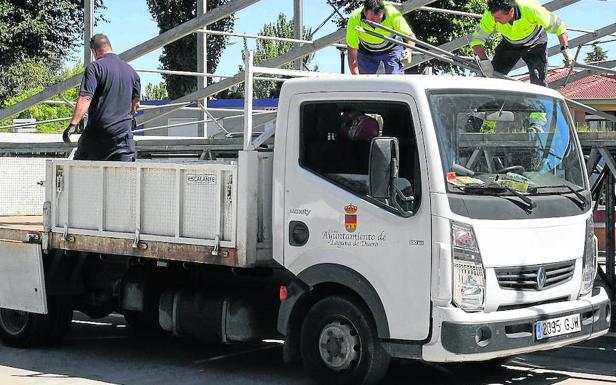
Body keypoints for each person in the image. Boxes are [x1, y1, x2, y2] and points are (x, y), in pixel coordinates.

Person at [63, 33, 141, 161]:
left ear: (94, 51)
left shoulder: (95, 67)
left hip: (97, 136)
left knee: (77, 175)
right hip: (122, 138)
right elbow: (135, 104)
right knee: (124, 178)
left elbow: (85, 98)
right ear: (110, 47)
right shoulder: (132, 72)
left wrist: (73, 124)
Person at [470, 0, 572, 86]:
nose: (495, 21)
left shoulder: (531, 8)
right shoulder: (490, 15)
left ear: (511, 11)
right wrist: (484, 62)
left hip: (536, 43)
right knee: (493, 77)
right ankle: (488, 108)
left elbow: (559, 26)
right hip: (509, 45)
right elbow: (476, 40)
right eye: (494, 17)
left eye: (498, 18)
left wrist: (565, 49)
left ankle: (538, 109)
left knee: (539, 82)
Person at [346, 0, 415, 75]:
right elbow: (352, 52)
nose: (376, 23)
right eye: (372, 20)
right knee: (365, 82)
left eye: (379, 19)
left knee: (395, 79)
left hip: (391, 49)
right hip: (366, 52)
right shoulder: (355, 18)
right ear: (365, 12)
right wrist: (357, 79)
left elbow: (410, 36)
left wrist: (408, 50)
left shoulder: (392, 13)